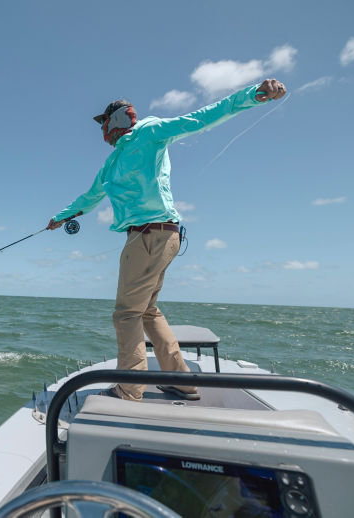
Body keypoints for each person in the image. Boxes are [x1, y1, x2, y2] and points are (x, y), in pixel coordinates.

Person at [46, 79, 287, 401]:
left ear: (116, 119)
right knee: (147, 311)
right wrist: (63, 216)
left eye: (104, 122)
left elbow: (203, 116)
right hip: (158, 236)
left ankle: (129, 389)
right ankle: (183, 383)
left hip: (149, 236)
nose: (102, 129)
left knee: (126, 314)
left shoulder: (149, 132)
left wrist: (253, 96)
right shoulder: (112, 163)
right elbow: (90, 197)